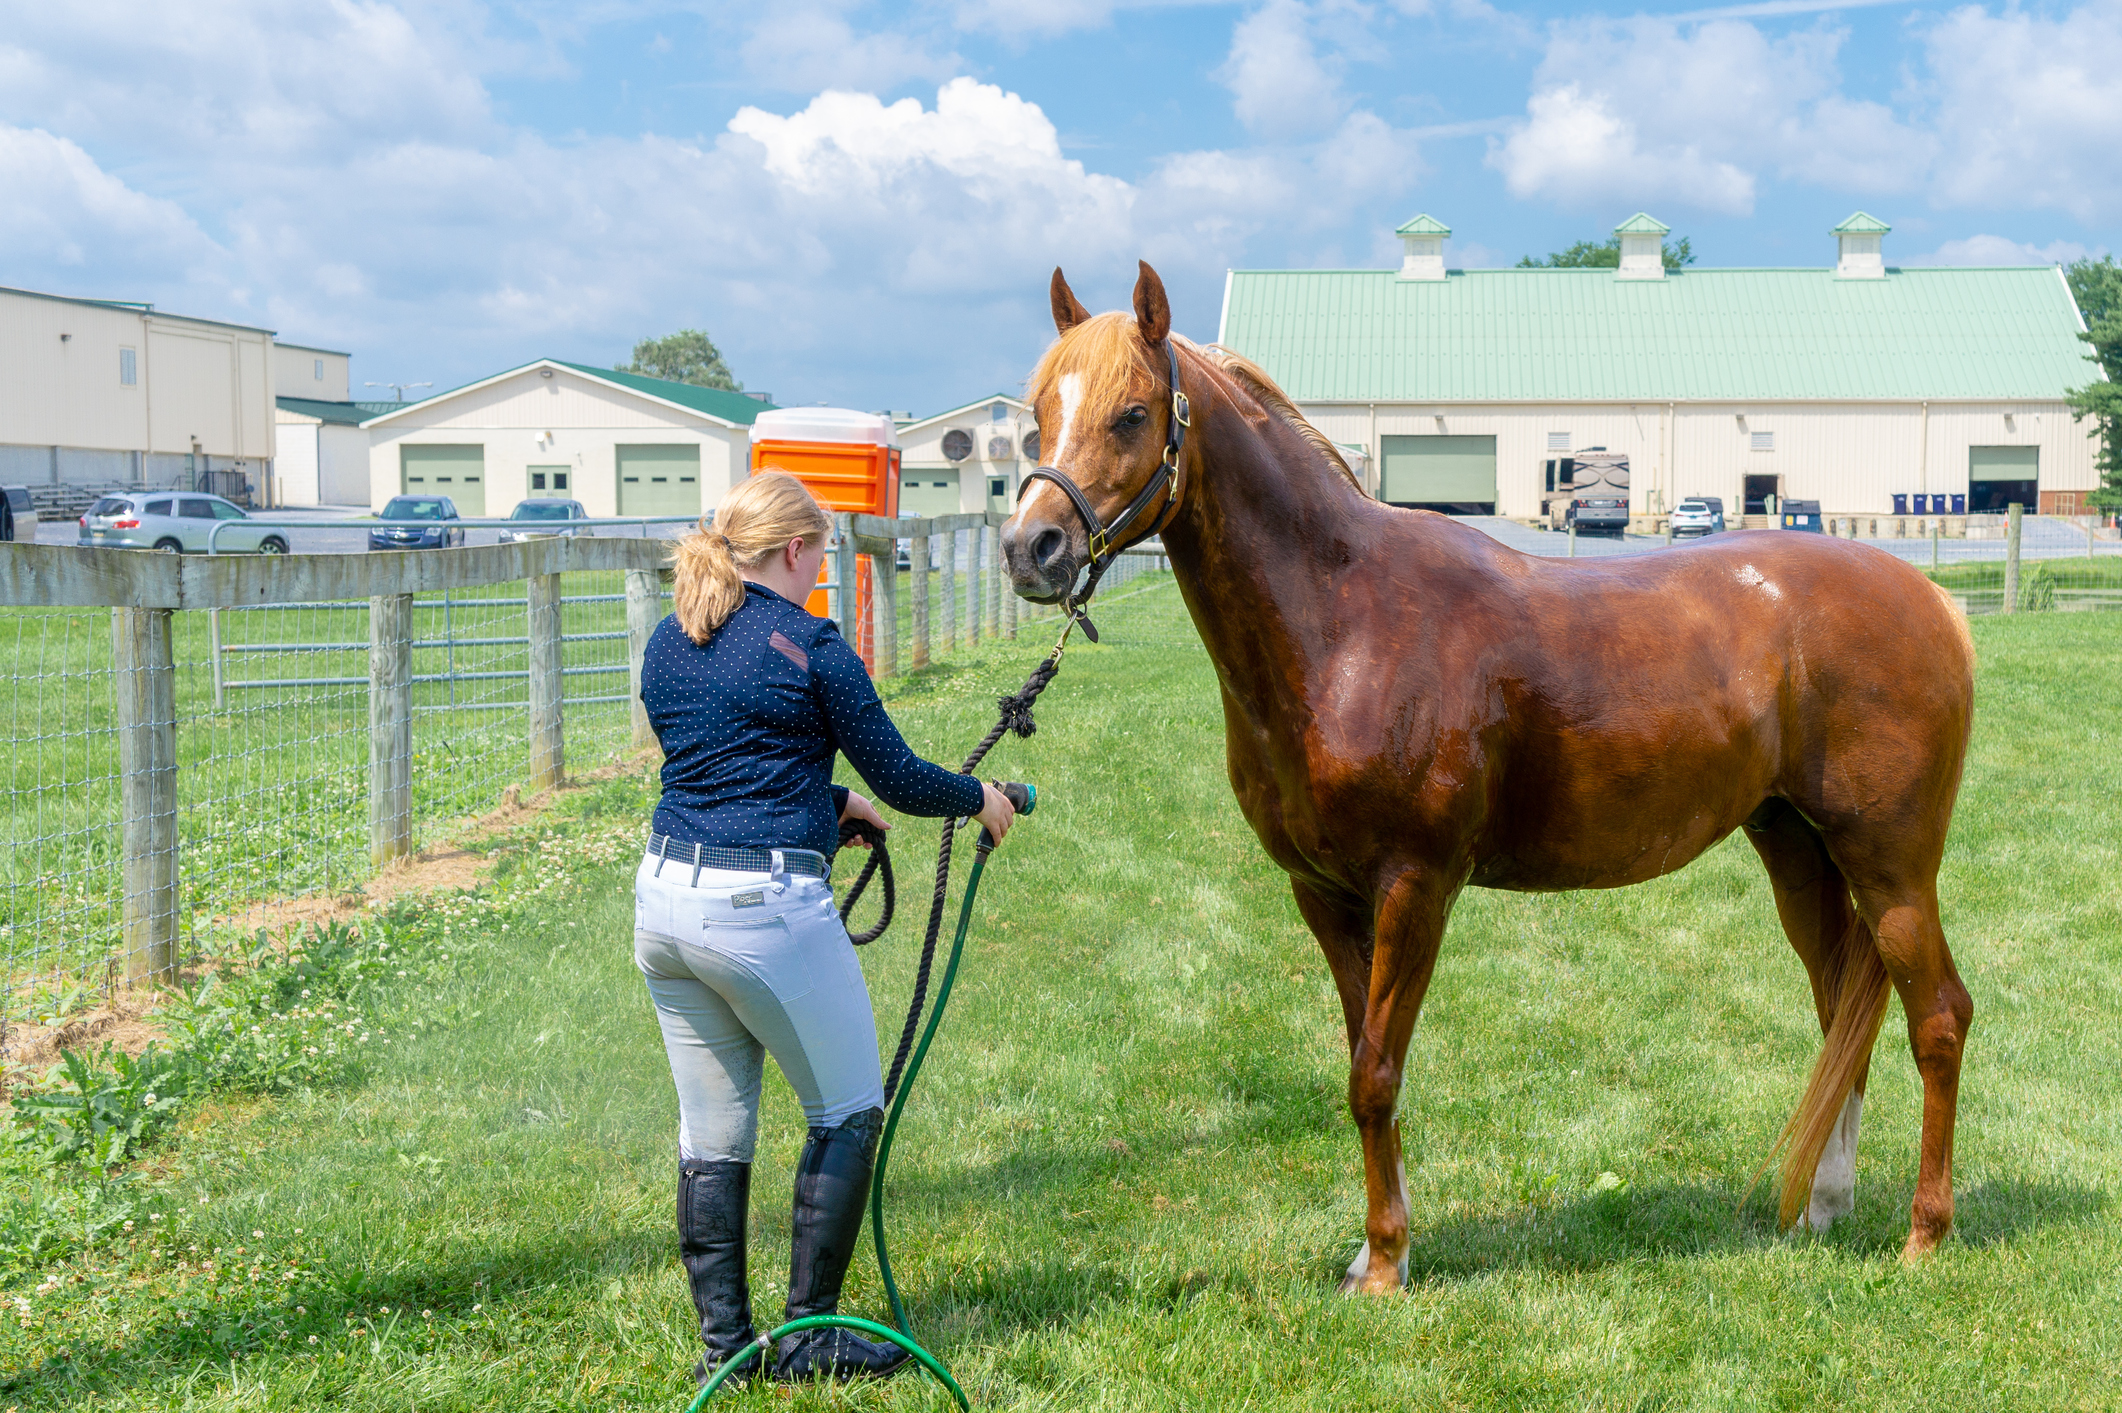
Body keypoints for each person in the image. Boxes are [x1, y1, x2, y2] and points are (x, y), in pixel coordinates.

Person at [634, 471, 1015, 1386]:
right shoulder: (812, 647)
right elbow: (904, 777)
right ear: (798, 548)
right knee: (848, 1110)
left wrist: (828, 802)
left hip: (664, 905)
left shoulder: (670, 636)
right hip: (761, 910)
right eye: (821, 555)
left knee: (712, 1136)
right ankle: (807, 1336)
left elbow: (719, 756)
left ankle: (727, 1352)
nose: (822, 573)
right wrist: (981, 796)